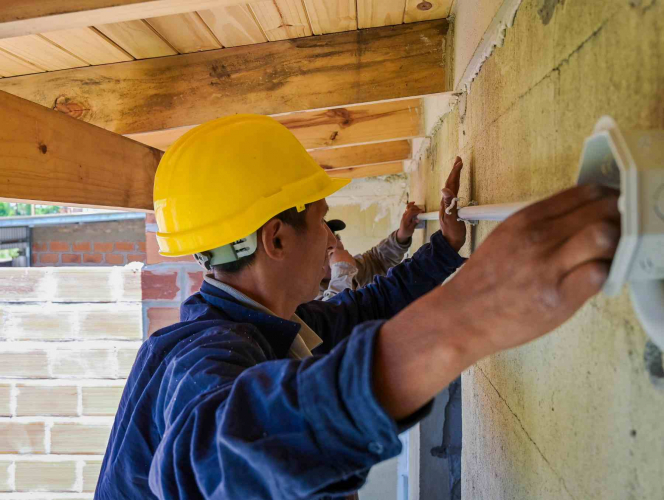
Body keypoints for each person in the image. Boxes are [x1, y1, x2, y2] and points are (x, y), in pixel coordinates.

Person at [95, 114, 619, 500]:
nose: (329, 237)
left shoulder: (276, 325)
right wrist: (464, 317)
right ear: (276, 240)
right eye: (322, 218)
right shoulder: (201, 353)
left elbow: (371, 305)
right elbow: (206, 463)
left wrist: (444, 248)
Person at [317, 201, 424, 301]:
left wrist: (402, 235)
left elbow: (377, 260)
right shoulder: (309, 296)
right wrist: (342, 270)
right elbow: (334, 314)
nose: (338, 250)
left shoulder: (351, 270)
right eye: (328, 246)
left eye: (337, 238)